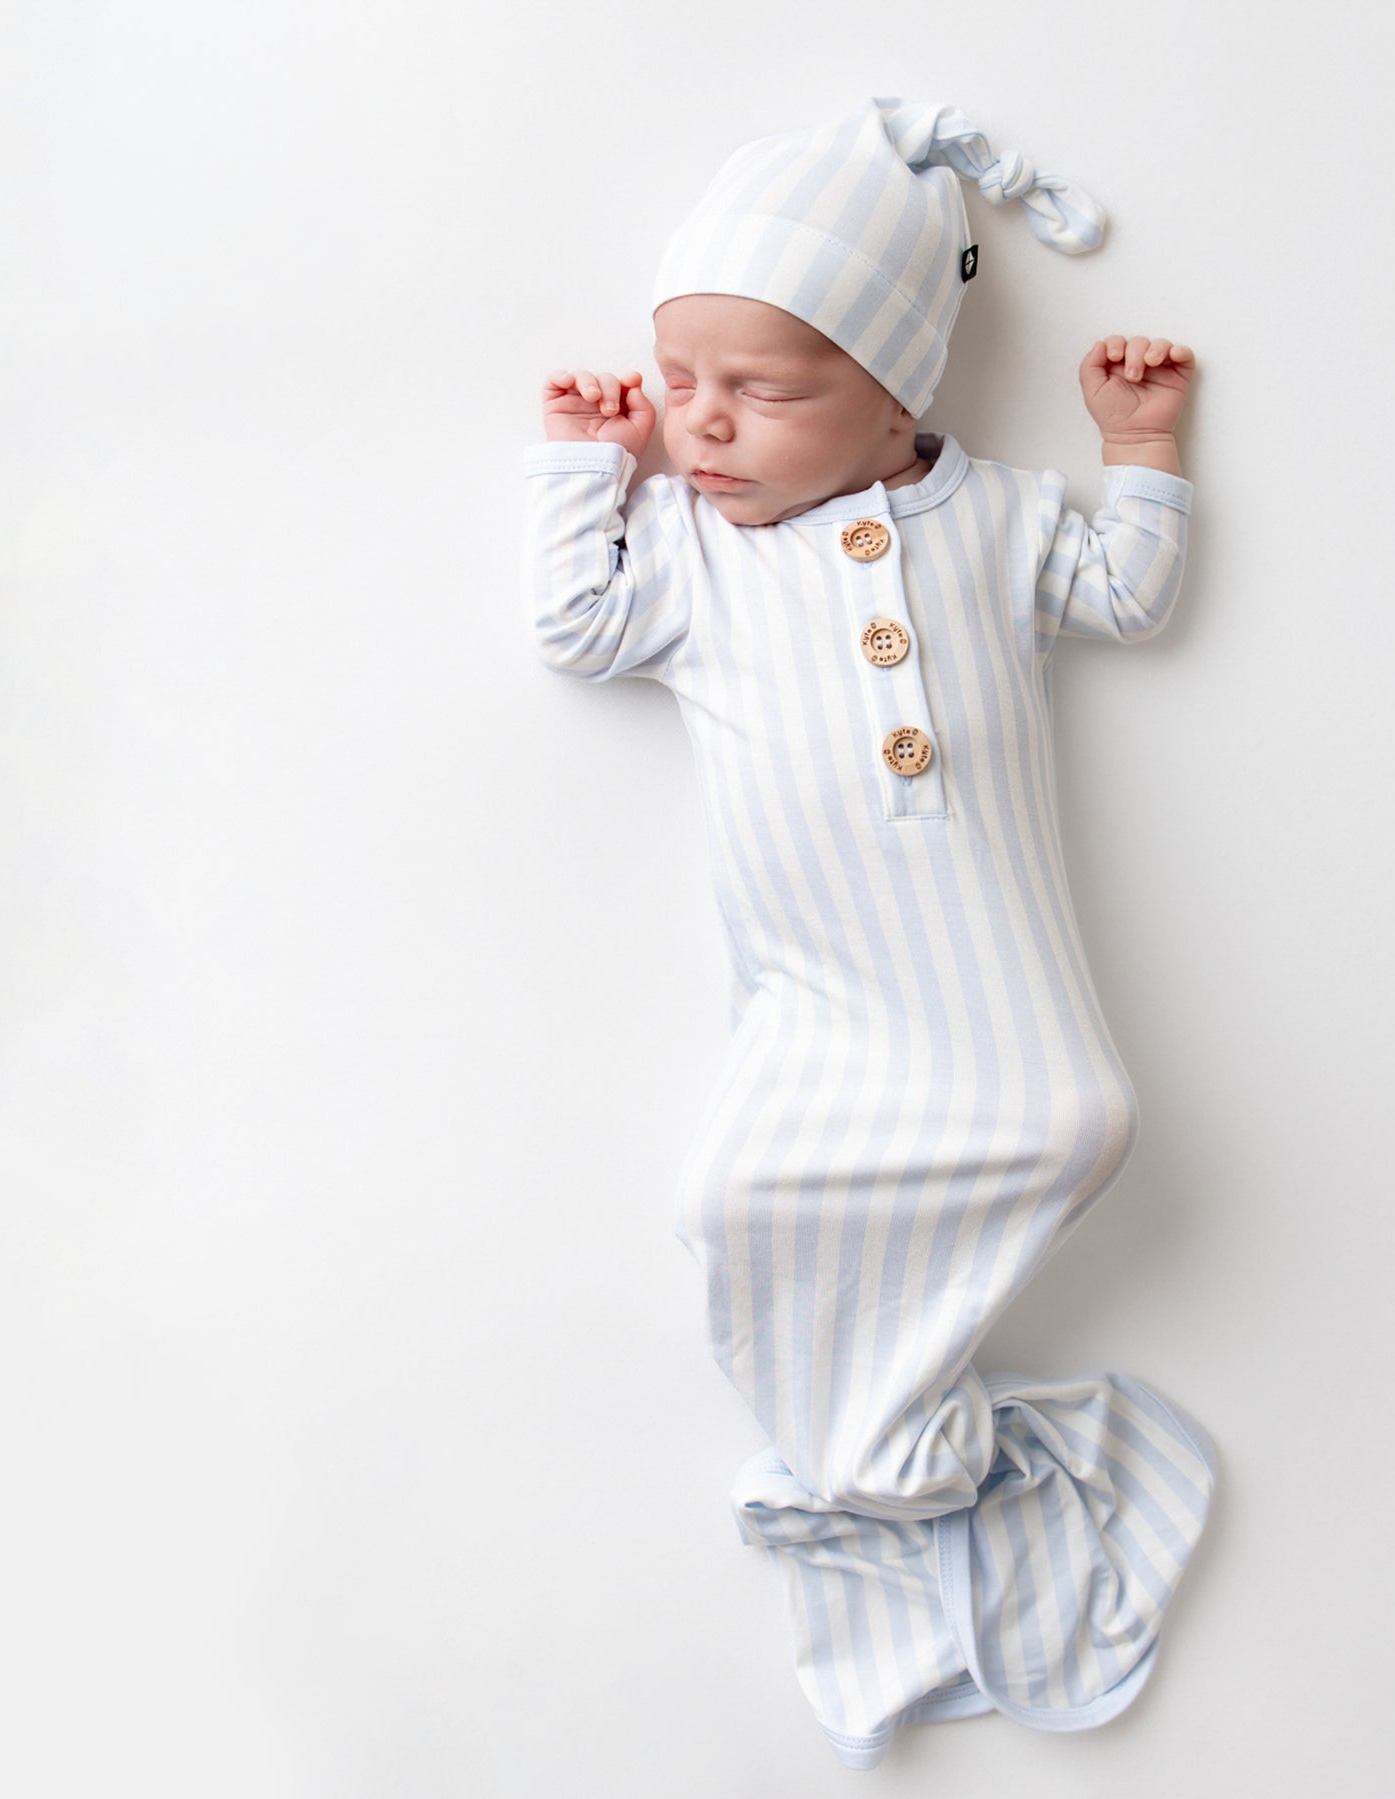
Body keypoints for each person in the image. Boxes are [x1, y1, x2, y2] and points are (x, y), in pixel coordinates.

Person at [522, 96, 1218, 1771]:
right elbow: (572, 626)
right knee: (728, 1197)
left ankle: (890, 1473)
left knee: (1074, 1120)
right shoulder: (690, 551)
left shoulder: (986, 521)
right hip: (818, 997)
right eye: (681, 383)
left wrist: (1145, 454)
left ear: (897, 387)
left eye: (759, 394)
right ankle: (912, 1460)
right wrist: (581, 469)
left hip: (988, 986)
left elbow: (1128, 596)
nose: (703, 426)